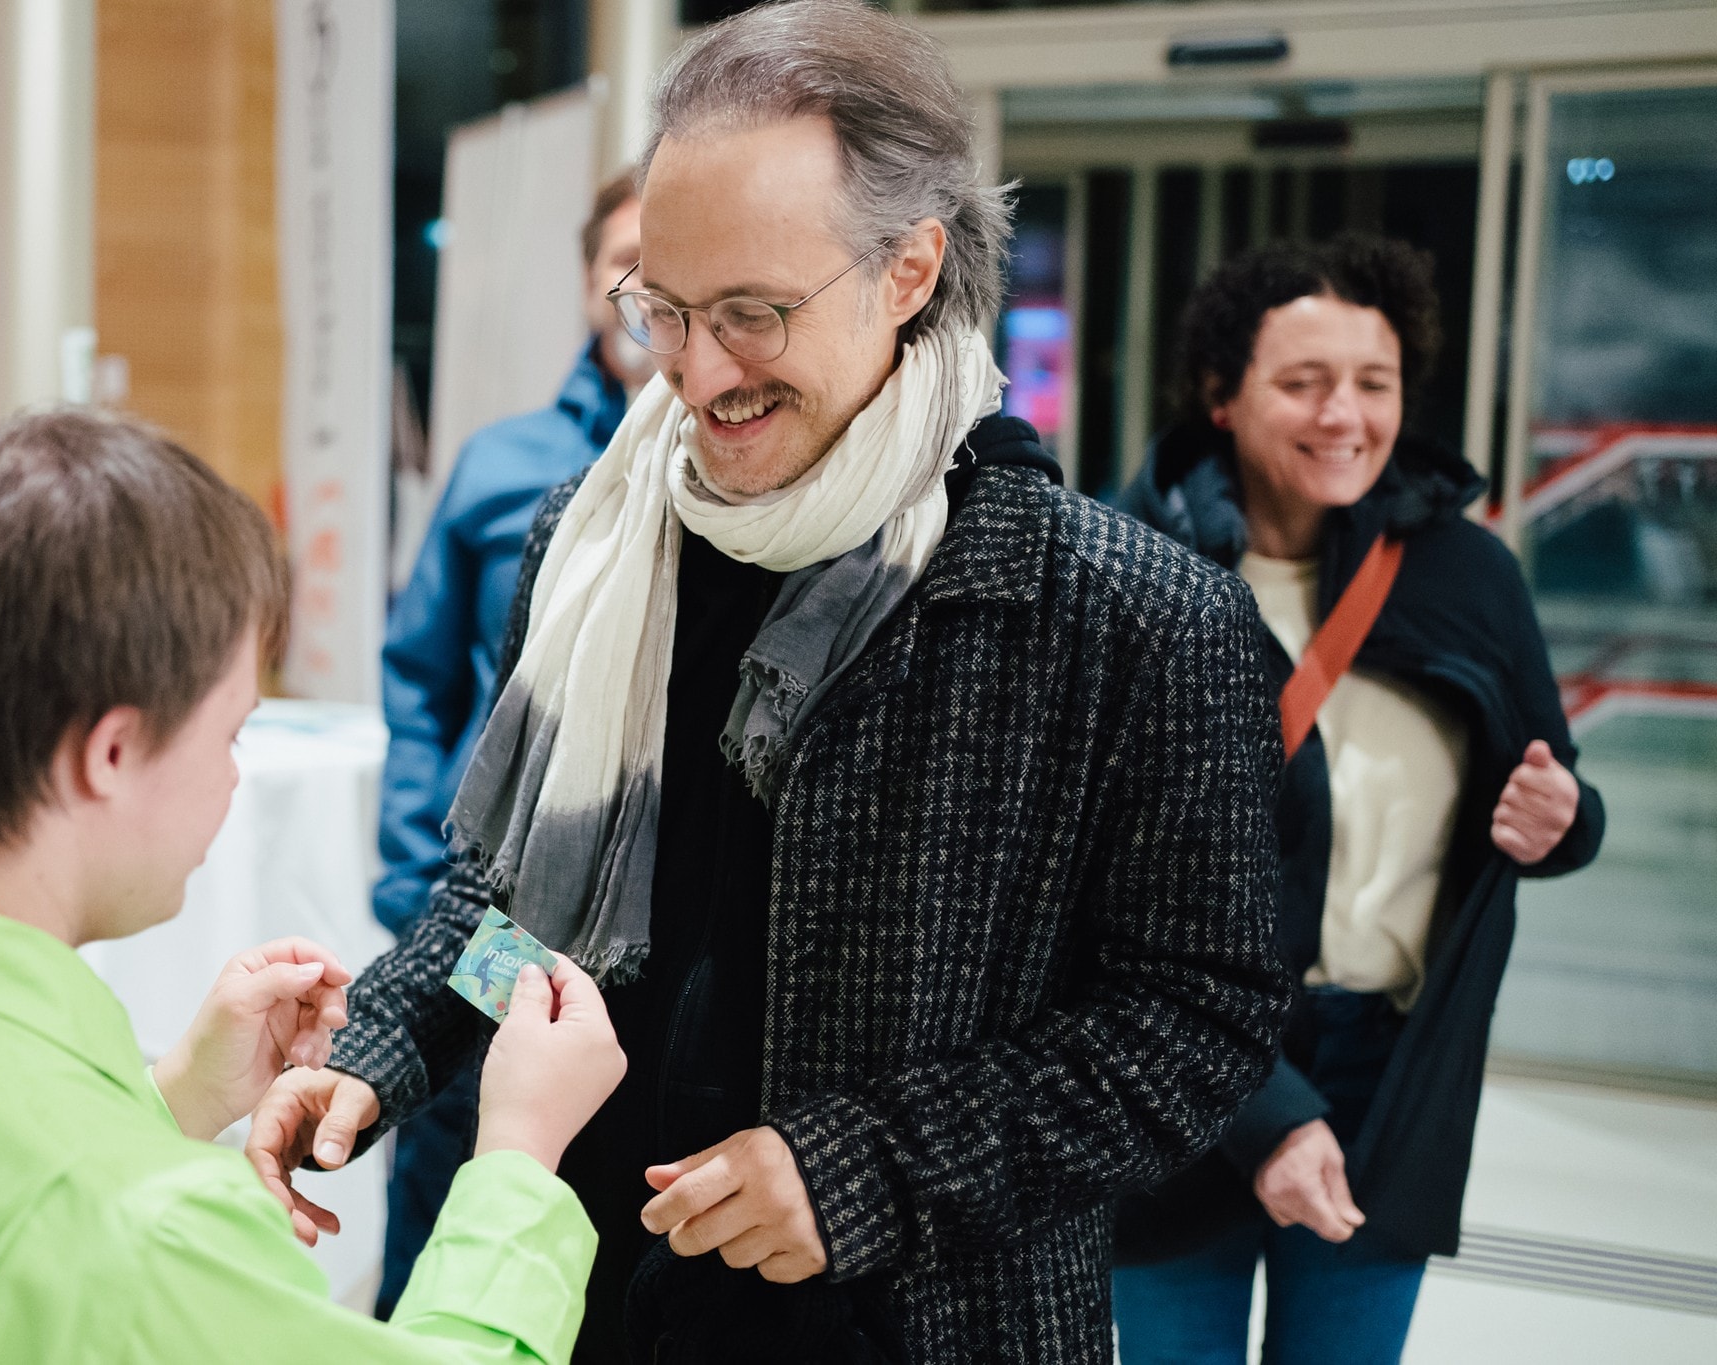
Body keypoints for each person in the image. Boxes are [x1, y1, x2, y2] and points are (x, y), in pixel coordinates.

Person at [247, 2, 1292, 1359]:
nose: (695, 371)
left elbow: (1194, 1020)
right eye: (664, 310)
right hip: (584, 1292)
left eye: (752, 314)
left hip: (917, 1323)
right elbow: (512, 902)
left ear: (911, 268)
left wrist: (868, 1171)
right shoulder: (593, 545)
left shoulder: (1127, 618)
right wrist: (378, 1047)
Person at [0, 411, 625, 1364]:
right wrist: (516, 1154)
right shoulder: (148, 1234)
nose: (235, 776)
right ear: (113, 753)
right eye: (231, 733)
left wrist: (168, 1100)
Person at [1110, 235, 1606, 1364]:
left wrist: (1562, 821)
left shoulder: (1463, 574)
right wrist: (1263, 1111)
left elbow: (1555, 798)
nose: (1344, 415)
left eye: (1372, 385)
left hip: (1388, 1074)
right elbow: (1091, 886)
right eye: (1302, 382)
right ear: (1220, 396)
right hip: (1178, 1073)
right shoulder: (1128, 570)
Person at [373, 169, 649, 1317]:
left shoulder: (765, 477)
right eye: (622, 259)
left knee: (600, 1229)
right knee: (451, 1183)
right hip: (486, 918)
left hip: (642, 948)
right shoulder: (504, 463)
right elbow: (419, 677)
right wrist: (409, 888)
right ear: (590, 280)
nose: (643, 286)